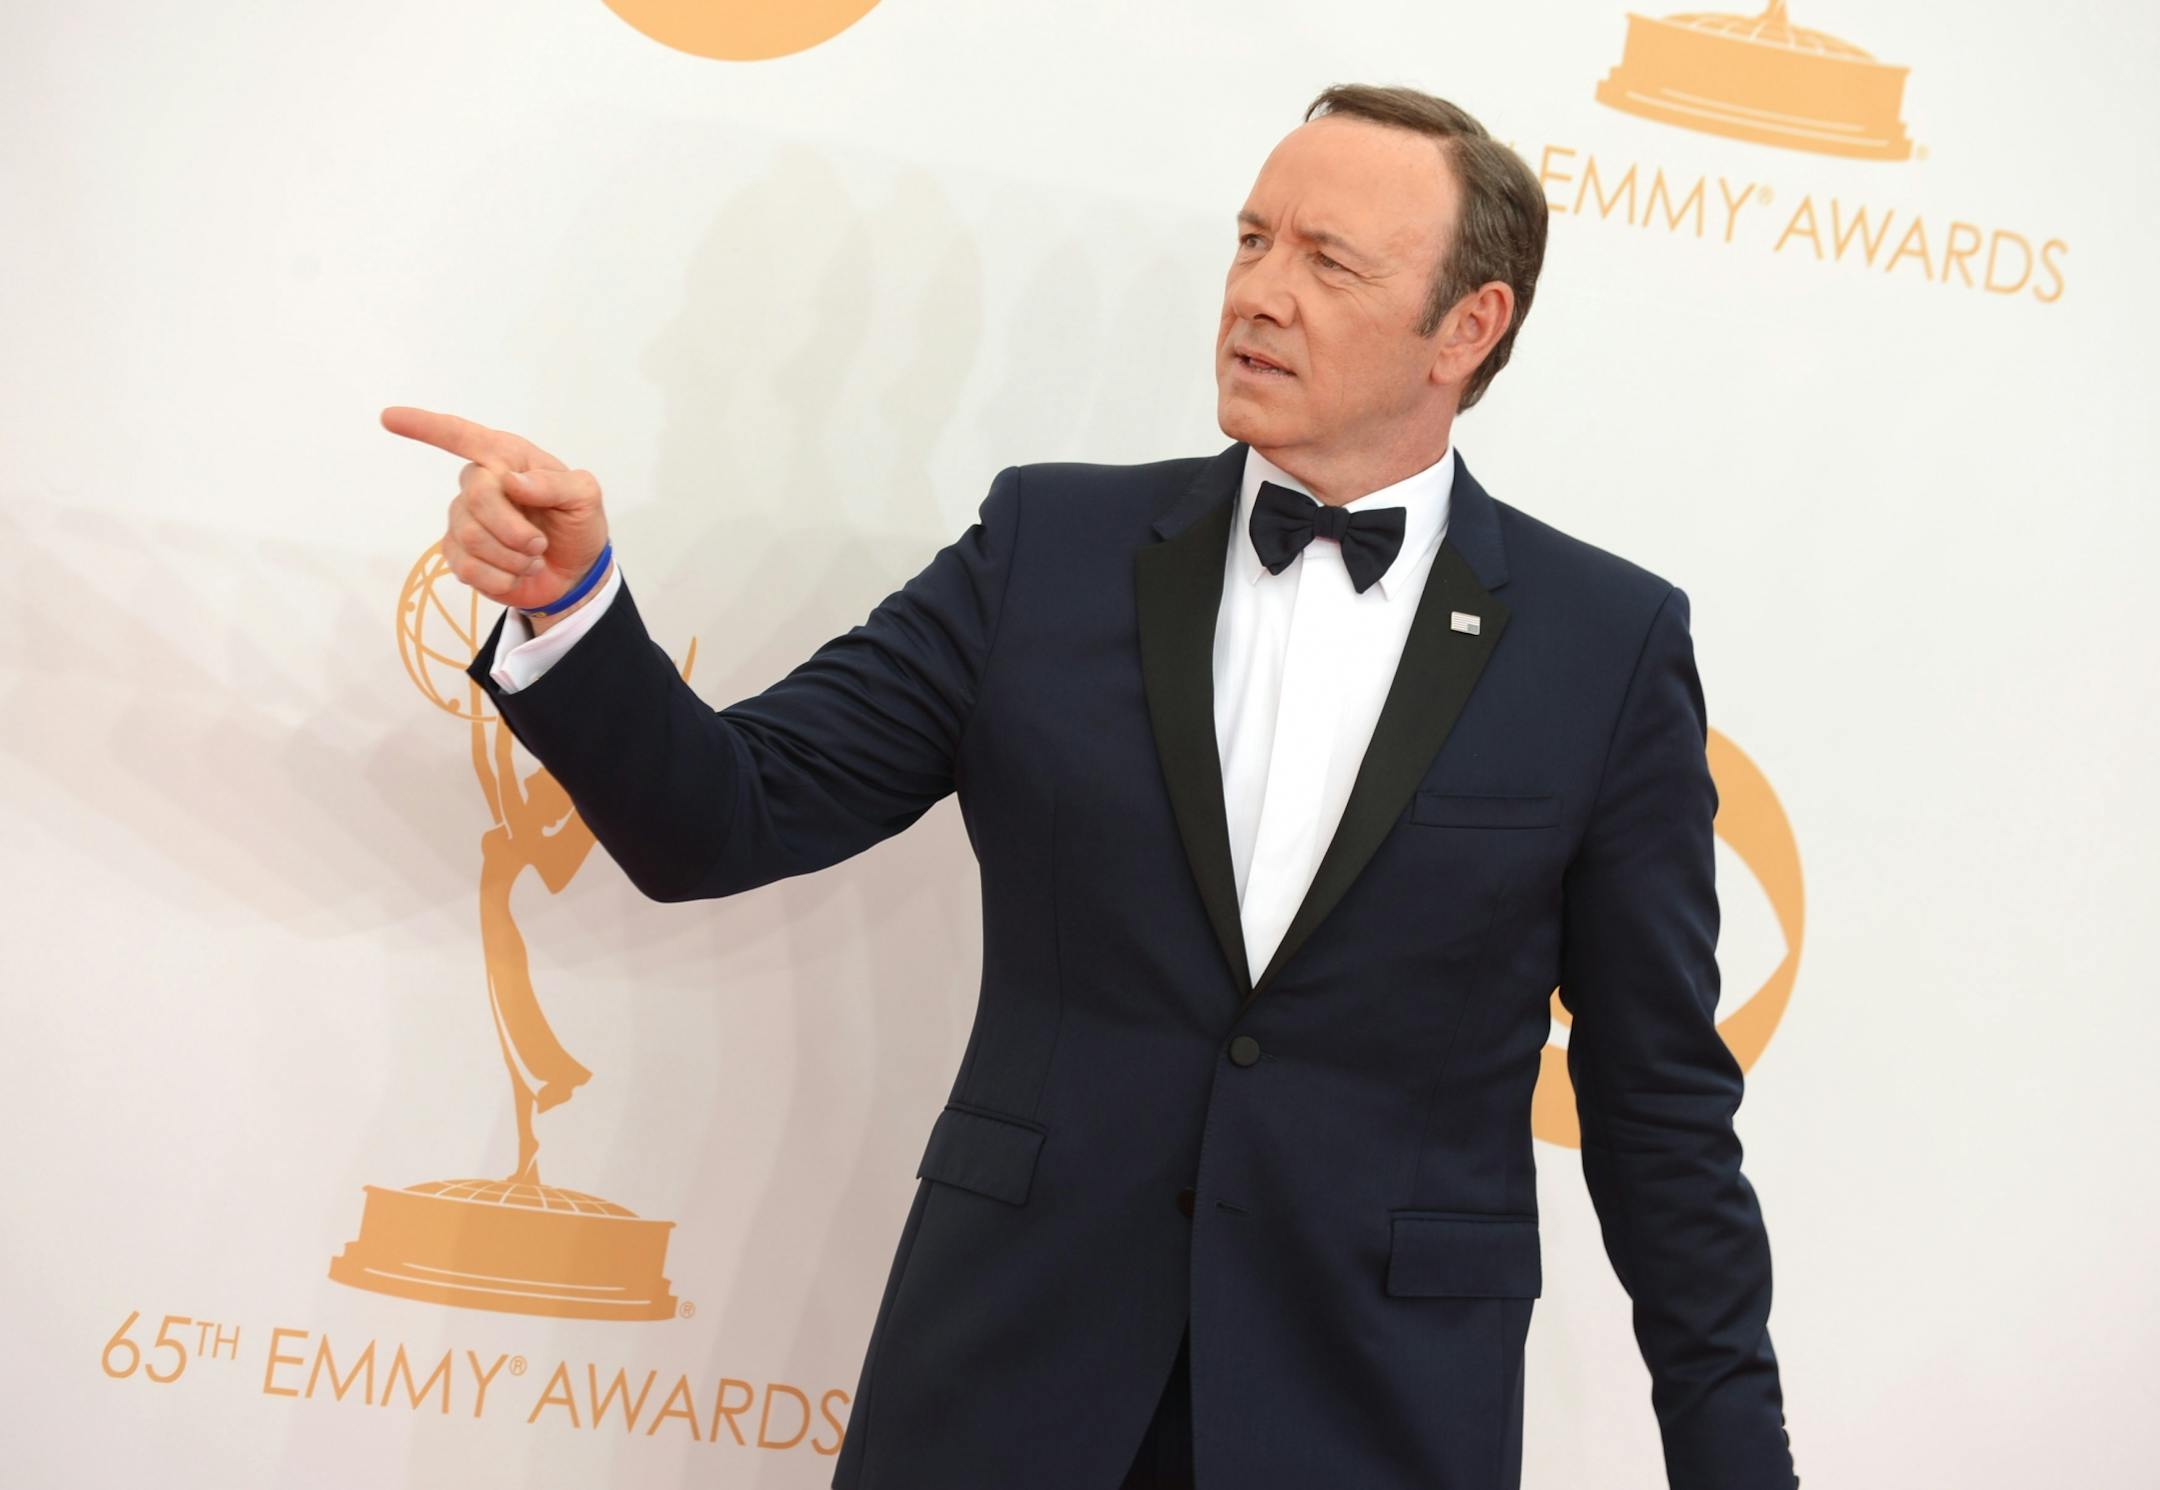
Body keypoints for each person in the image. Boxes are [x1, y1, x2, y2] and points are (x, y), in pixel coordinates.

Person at [383, 82, 1796, 1490]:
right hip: (1008, 1385)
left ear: (1467, 328)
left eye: (1327, 261)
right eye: (1252, 241)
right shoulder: (1047, 548)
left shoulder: (1604, 647)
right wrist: (570, 606)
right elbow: (725, 811)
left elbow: (1658, 1104)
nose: (1260, 293)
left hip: (1370, 1410)